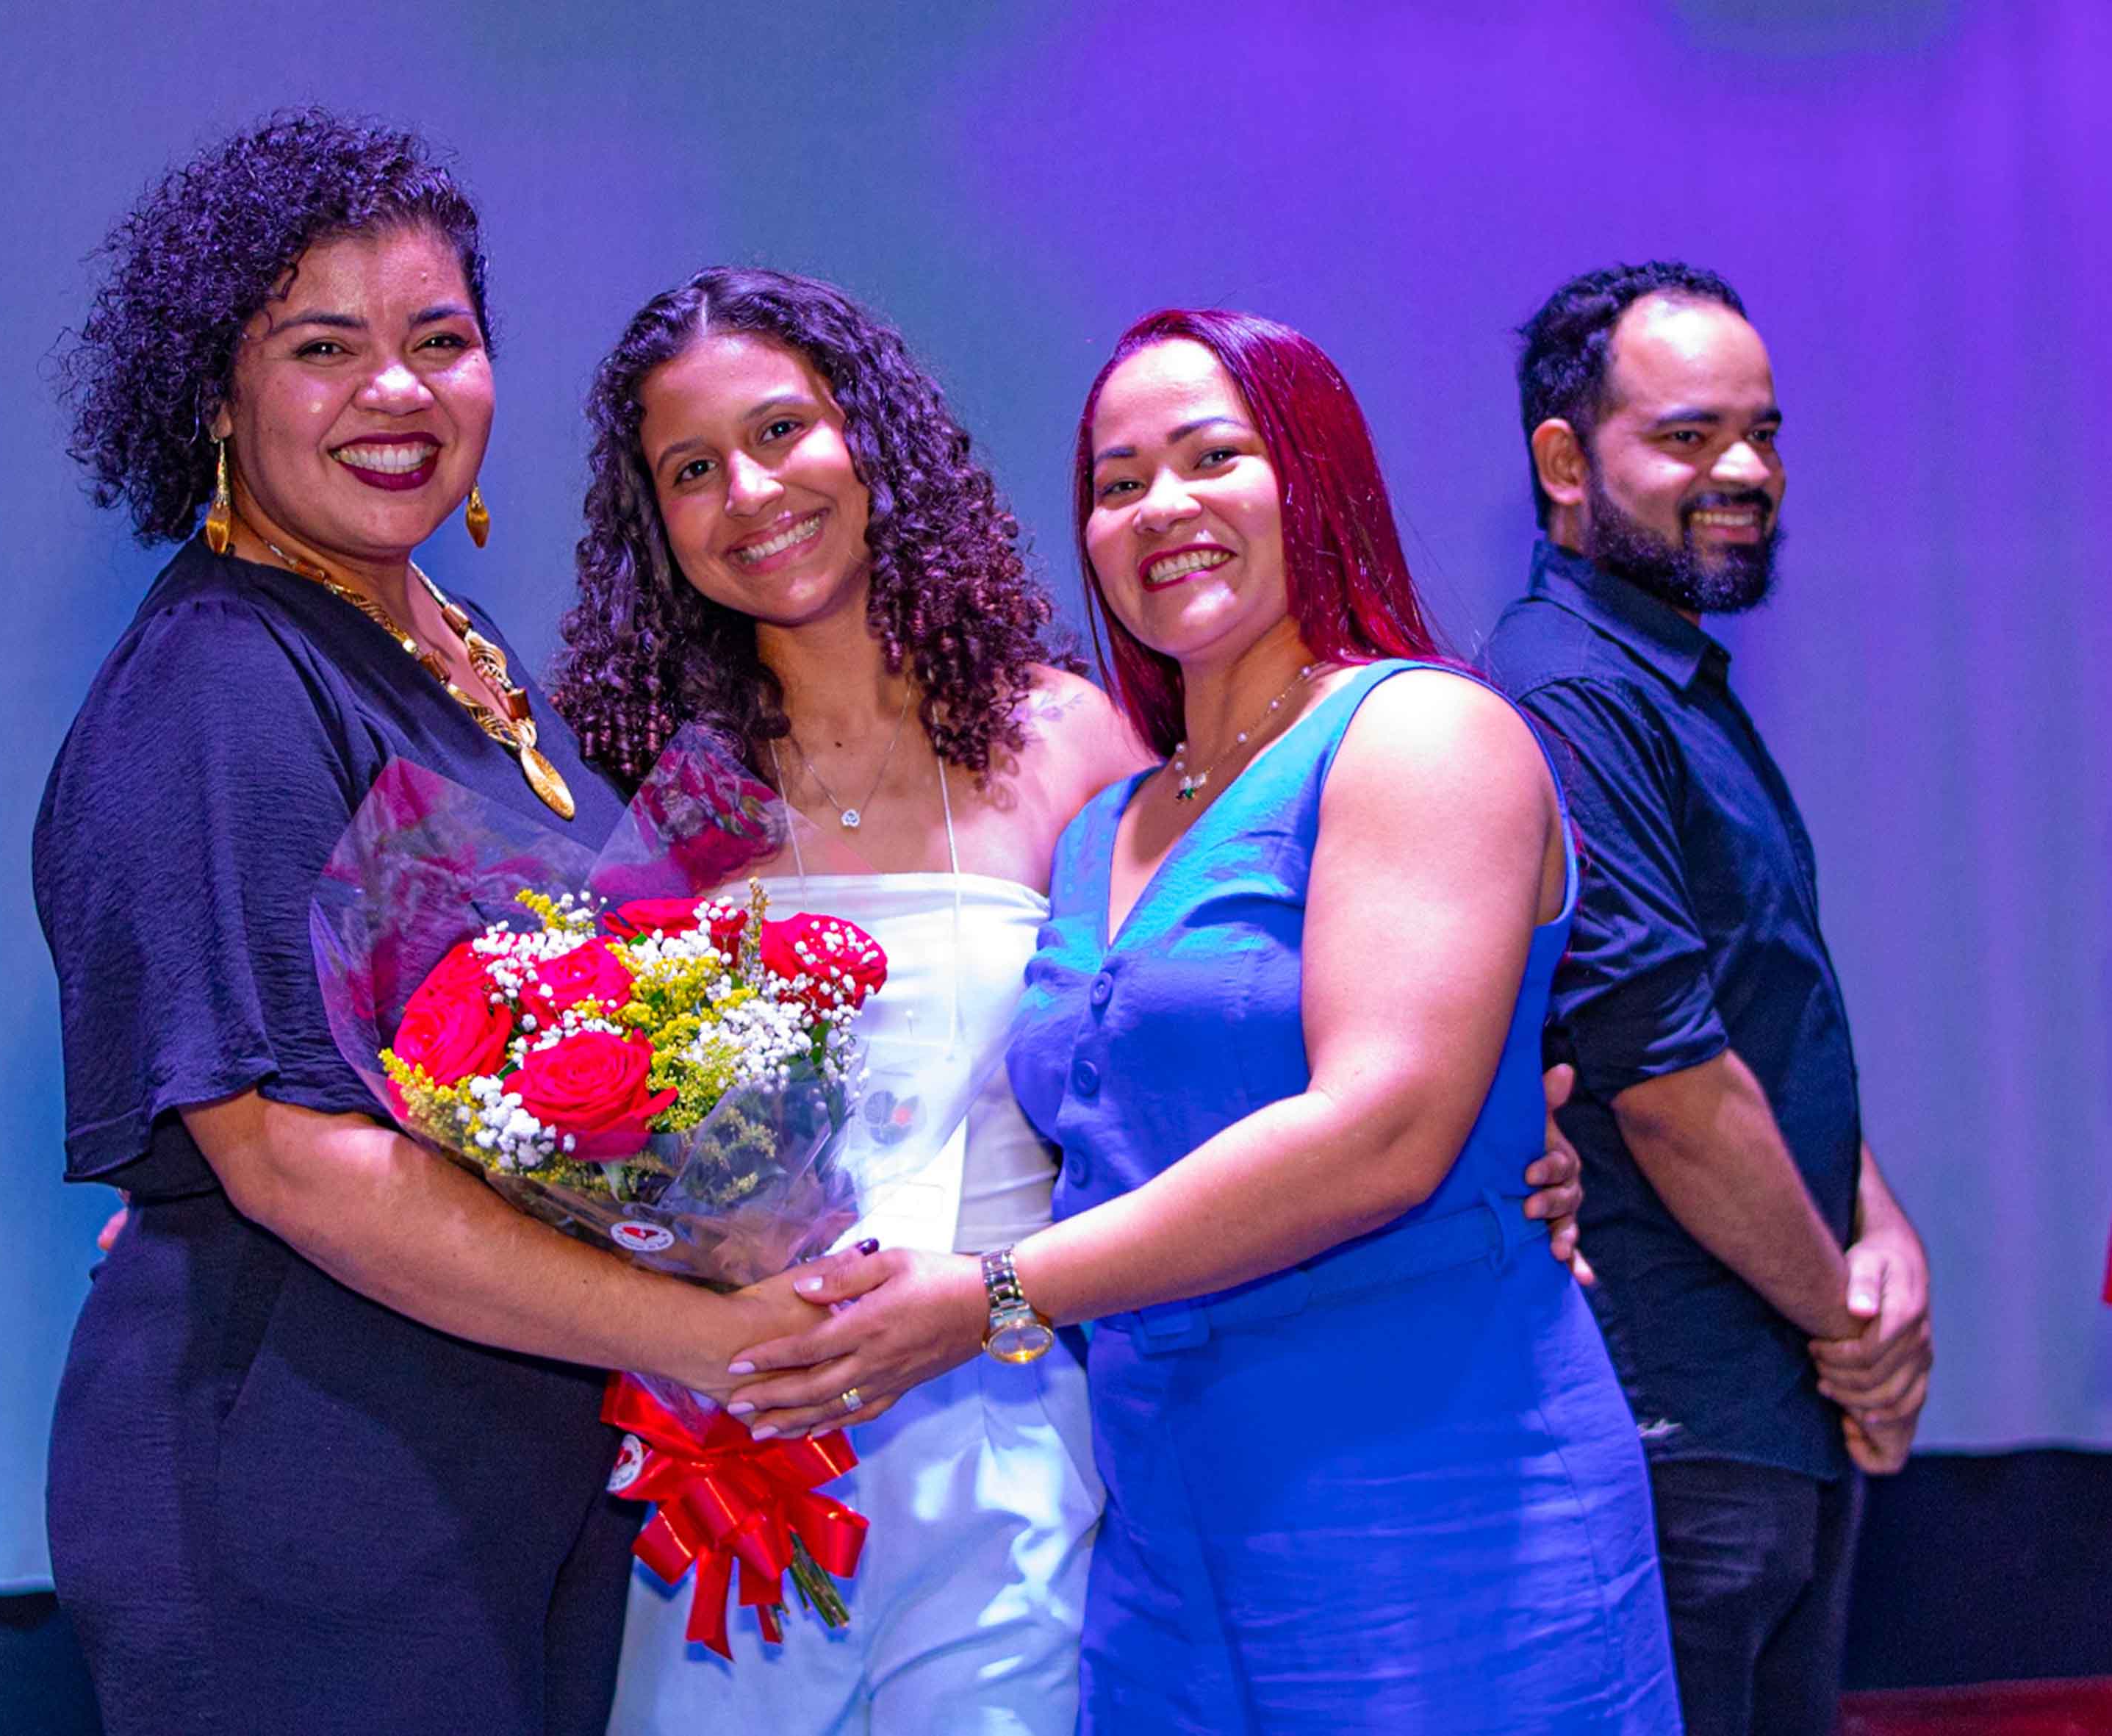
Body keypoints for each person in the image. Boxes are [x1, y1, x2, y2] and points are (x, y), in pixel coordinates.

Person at [582, 285, 1639, 1733]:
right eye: (692, 467)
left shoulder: (1071, 744)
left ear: (874, 444)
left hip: (1125, 1435)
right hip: (830, 1457)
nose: (749, 490)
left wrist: (1499, 1122)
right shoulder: (691, 794)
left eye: (780, 431)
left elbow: (1339, 1057)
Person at [34, 114, 830, 1736]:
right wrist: (706, 1332)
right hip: (301, 1477)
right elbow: (290, 1160)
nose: (395, 391)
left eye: (439, 340)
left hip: (496, 1469)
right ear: (215, 396)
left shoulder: (458, 648)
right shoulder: (221, 677)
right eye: (323, 347)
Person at [1481, 261, 1934, 1736]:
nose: (1743, 471)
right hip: (1674, 1419)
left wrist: (1876, 1227)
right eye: (1688, 436)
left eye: (1762, 432)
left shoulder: (1659, 677)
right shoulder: (1569, 691)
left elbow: (1760, 1006)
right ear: (1564, 463)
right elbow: (1667, 1082)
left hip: (1756, 1403)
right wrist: (1847, 1325)